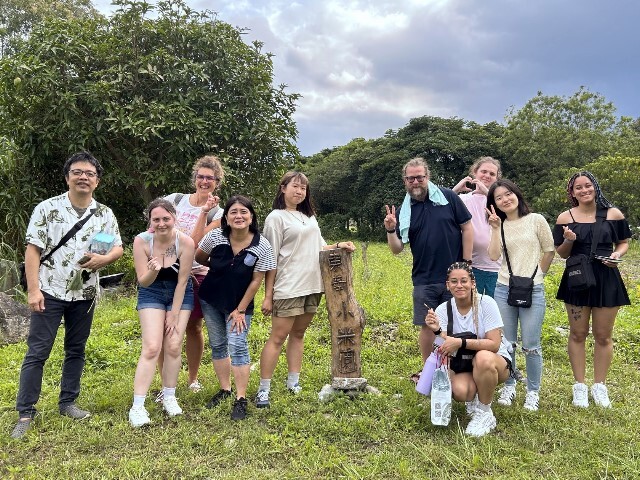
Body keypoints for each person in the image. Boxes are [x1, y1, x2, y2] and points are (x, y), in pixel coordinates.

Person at [11, 152, 123, 439]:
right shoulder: (47, 209)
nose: (83, 177)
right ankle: (25, 412)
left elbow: (118, 248)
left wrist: (103, 260)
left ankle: (68, 402)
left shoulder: (105, 214)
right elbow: (32, 251)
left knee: (76, 350)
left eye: (89, 173)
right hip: (49, 291)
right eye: (77, 172)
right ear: (68, 177)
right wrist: (33, 290)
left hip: (84, 293)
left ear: (97, 181)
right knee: (38, 352)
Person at [256, 171, 355, 408]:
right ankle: (263, 389)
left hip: (313, 285)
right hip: (288, 287)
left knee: (298, 335)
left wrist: (339, 245)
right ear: (283, 188)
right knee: (278, 337)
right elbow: (270, 258)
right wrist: (268, 295)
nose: (299, 191)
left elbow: (319, 246)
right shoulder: (276, 218)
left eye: (303, 188)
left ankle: (294, 382)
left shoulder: (309, 217)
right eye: (295, 186)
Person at [384, 157, 473, 377]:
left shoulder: (448, 197)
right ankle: (428, 370)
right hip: (424, 278)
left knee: (457, 325)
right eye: (411, 178)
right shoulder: (405, 210)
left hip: (455, 276)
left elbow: (467, 228)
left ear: (428, 177)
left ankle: (457, 368)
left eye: (420, 177)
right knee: (427, 326)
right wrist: (390, 230)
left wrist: (466, 263)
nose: (416, 182)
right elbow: (397, 249)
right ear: (405, 181)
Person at [553, 171, 631, 408]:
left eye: (588, 186)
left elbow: (624, 242)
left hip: (607, 276)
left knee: (603, 335)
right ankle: (579, 386)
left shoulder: (613, 214)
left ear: (595, 187)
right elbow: (561, 252)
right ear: (572, 192)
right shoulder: (564, 217)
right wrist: (568, 239)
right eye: (578, 187)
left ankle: (600, 386)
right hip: (577, 277)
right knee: (577, 333)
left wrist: (617, 254)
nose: (584, 190)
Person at [195, 196, 276, 420]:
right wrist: (222, 268)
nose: (238, 216)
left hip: (240, 304)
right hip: (211, 299)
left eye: (243, 212)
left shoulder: (262, 244)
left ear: (251, 217)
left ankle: (240, 398)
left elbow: (256, 280)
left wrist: (239, 310)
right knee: (218, 344)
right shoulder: (215, 236)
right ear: (226, 218)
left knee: (238, 345)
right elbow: (200, 256)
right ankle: (224, 389)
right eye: (233, 212)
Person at [486, 179, 555, 411]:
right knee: (508, 343)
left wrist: (539, 275)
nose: (505, 199)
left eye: (508, 194)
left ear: (517, 194)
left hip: (532, 289)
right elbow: (494, 255)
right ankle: (510, 384)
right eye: (499, 197)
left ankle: (533, 391)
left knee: (531, 345)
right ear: (494, 204)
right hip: (504, 288)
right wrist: (495, 229)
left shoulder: (536, 220)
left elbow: (549, 249)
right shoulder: (499, 225)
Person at [128, 198, 195, 427]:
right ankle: (137, 407)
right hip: (151, 292)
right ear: (150, 221)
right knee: (152, 347)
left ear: (174, 218)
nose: (161, 223)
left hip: (180, 294)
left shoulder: (185, 242)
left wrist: (174, 313)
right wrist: (153, 270)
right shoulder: (142, 242)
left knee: (174, 345)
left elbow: (183, 281)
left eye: (166, 218)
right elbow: (143, 282)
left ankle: (169, 396)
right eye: (156, 219)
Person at [425, 262, 512, 437]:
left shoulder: (486, 303)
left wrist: (461, 343)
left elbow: (494, 344)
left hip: (495, 362)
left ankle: (485, 412)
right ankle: (473, 399)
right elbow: (446, 347)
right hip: (464, 364)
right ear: (447, 286)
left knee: (483, 359)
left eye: (464, 281)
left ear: (473, 283)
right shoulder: (443, 309)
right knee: (460, 391)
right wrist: (436, 330)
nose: (459, 285)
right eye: (454, 281)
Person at [161, 155, 224, 395]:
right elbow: (156, 228)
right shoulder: (174, 200)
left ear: (217, 182)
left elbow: (196, 242)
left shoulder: (218, 213)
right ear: (194, 178)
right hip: (165, 272)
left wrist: (202, 213)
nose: (205, 181)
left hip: (197, 274)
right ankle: (165, 382)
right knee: (165, 327)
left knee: (193, 327)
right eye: (201, 176)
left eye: (210, 178)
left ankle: (193, 378)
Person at [451, 157, 502, 297]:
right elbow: (440, 206)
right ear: (475, 172)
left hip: (497, 267)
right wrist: (455, 190)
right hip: (471, 266)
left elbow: (503, 210)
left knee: (495, 311)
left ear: (497, 178)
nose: (487, 176)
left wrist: (487, 191)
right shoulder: (463, 199)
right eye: (483, 171)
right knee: (473, 309)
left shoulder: (501, 200)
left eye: (492, 174)